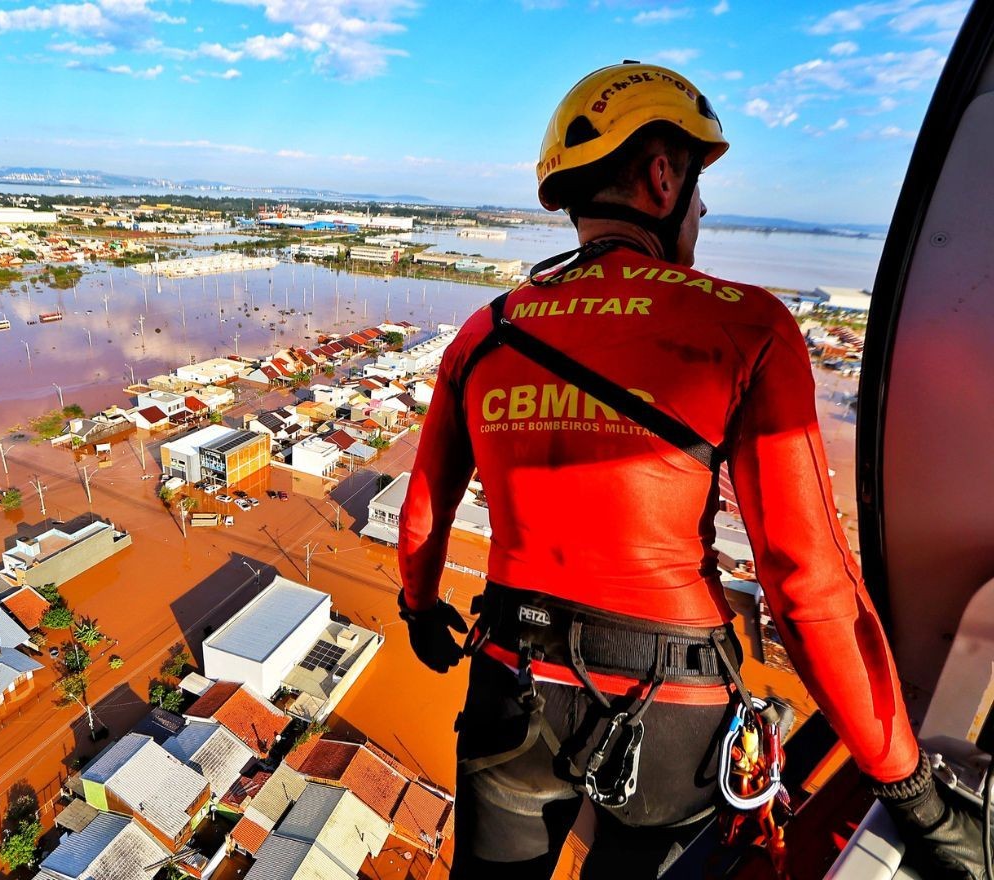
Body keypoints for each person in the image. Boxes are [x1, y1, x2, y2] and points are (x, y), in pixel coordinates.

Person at [396, 61, 986, 879]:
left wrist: (422, 608)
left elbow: (424, 513)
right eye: (700, 187)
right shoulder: (746, 327)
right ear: (661, 176)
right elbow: (808, 585)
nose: (703, 211)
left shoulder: (485, 331)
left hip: (509, 683)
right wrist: (913, 790)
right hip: (669, 710)